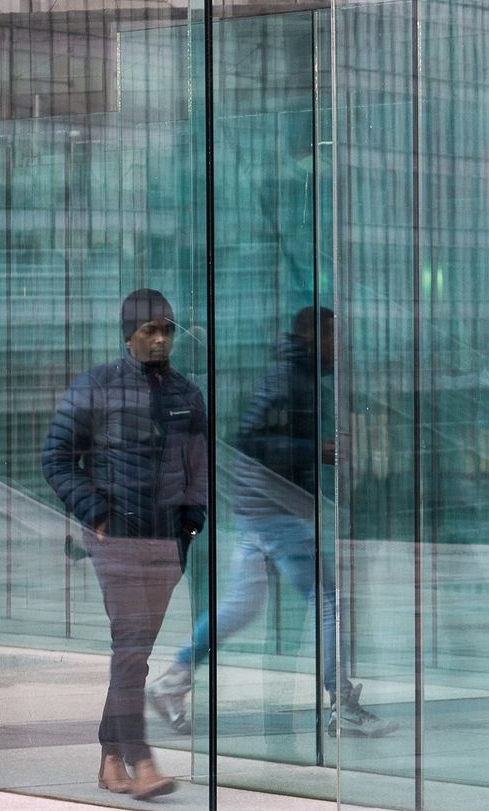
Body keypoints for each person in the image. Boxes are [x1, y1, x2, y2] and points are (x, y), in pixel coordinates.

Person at [147, 307, 392, 738]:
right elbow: (252, 441)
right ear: (312, 337)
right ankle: (342, 702)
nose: (341, 348)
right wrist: (316, 449)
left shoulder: (296, 377)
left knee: (241, 607)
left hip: (265, 509)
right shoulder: (287, 380)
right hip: (277, 510)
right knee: (328, 600)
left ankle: (173, 680)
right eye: (335, 338)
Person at [43, 289, 207, 799]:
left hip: (167, 544)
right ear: (129, 335)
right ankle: (141, 761)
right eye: (149, 331)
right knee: (132, 649)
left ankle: (109, 757)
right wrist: (98, 513)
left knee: (133, 653)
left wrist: (190, 524)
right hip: (116, 539)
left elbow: (198, 467)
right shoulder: (96, 387)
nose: (160, 339)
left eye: (167, 330)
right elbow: (56, 458)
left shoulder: (187, 394)